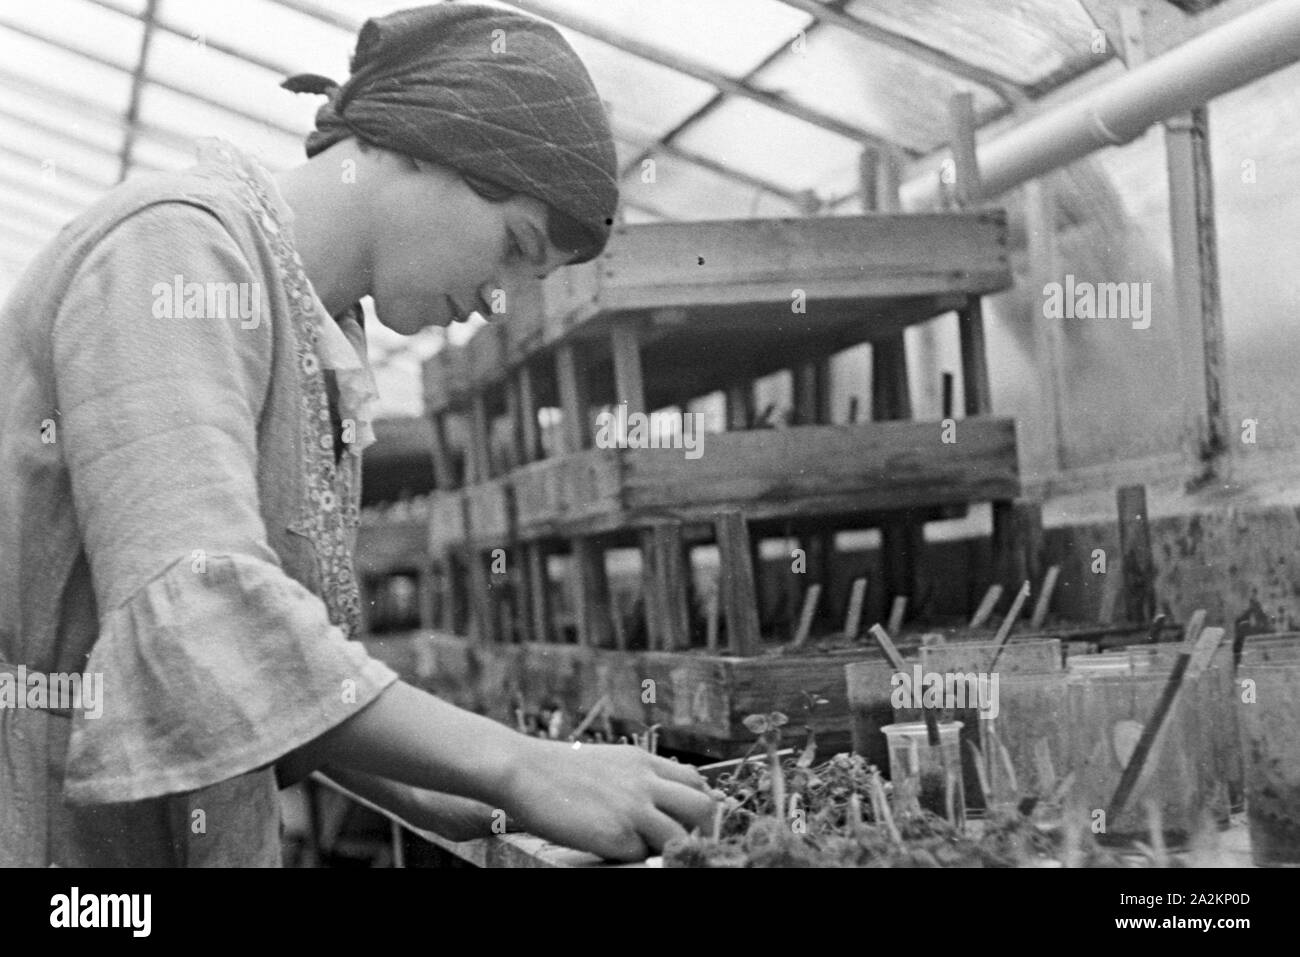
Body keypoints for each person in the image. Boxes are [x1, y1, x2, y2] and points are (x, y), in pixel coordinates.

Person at [0, 3, 714, 867]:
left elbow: (274, 668)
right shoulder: (174, 253)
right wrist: (519, 764)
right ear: (422, 142)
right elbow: (203, 612)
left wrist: (437, 784)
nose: (502, 300)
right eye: (516, 244)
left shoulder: (312, 334)